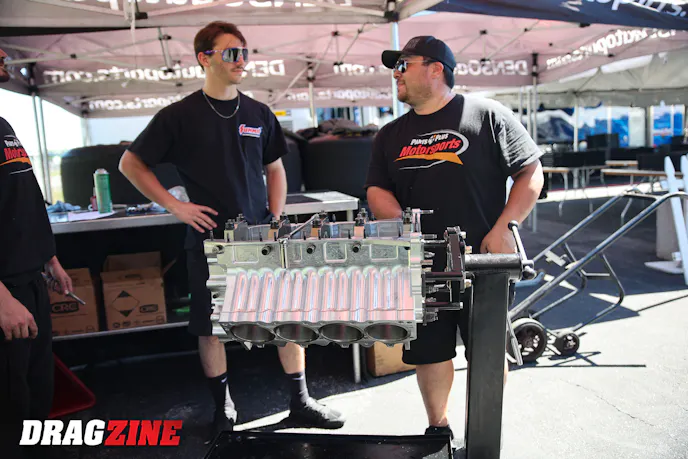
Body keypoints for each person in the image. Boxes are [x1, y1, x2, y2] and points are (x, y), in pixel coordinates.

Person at [119, 21, 344, 439]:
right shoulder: (178, 116)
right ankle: (223, 409)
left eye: (244, 52)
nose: (241, 60)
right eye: (231, 53)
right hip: (210, 242)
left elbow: (275, 169)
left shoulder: (258, 113)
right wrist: (176, 206)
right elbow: (131, 163)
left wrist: (276, 220)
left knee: (286, 320)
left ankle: (301, 402)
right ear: (204, 58)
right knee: (212, 328)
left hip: (262, 240)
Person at [365, 36, 544, 445]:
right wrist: (402, 225)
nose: (396, 74)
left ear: (435, 69)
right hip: (422, 265)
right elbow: (377, 189)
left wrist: (505, 228)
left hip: (485, 265)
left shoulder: (487, 115)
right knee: (429, 351)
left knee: (486, 353)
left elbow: (531, 172)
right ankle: (438, 431)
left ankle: (483, 435)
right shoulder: (390, 134)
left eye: (403, 65)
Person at [0, 47, 74, 458]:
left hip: (28, 283)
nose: (4, 53)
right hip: (5, 294)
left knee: (36, 392)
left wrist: (50, 259)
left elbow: (24, 197)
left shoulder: (3, 125)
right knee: (11, 407)